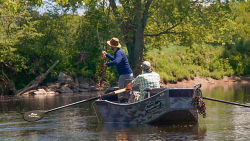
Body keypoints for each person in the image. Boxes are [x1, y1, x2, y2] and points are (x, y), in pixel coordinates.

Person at [102, 37, 133, 103]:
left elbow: (116, 62)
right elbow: (115, 60)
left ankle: (122, 105)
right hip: (128, 74)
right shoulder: (119, 51)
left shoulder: (118, 52)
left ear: (112, 46)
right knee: (127, 91)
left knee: (121, 93)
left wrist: (107, 64)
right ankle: (127, 104)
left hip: (125, 75)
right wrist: (107, 55)